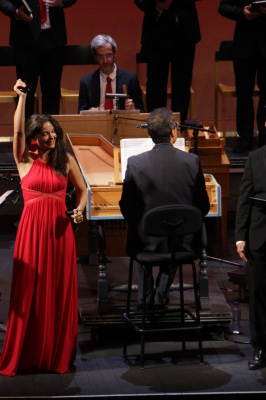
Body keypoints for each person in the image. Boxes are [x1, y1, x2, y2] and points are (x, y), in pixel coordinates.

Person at [0, 79, 87, 376]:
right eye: (45, 133)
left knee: (58, 291)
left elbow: (83, 190)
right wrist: (21, 98)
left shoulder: (66, 160)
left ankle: (56, 353)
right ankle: (29, 352)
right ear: (34, 136)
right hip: (32, 232)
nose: (51, 136)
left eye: (53, 132)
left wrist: (79, 211)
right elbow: (17, 130)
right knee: (30, 291)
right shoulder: (24, 159)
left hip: (60, 233)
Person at [119, 107, 210, 310]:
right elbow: (202, 206)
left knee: (140, 236)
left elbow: (126, 206)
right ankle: (159, 297)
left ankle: (146, 299)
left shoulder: (134, 163)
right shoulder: (192, 161)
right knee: (175, 235)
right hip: (181, 243)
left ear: (151, 134)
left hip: (145, 243)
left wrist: (143, 224)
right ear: (172, 133)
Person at [0, 0, 77, 118]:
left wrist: (62, 2)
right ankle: (26, 135)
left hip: (53, 39)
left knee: (52, 93)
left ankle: (49, 134)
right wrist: (16, 12)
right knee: (25, 94)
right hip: (26, 40)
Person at [134, 0, 201, 125]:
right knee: (155, 86)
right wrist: (156, 4)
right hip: (156, 30)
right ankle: (157, 131)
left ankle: (178, 130)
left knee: (182, 85)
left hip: (184, 31)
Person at [235, 113, 266, 370]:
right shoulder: (255, 158)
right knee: (257, 295)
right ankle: (260, 348)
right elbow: (244, 197)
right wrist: (240, 237)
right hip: (260, 238)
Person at [219, 0, 266, 153]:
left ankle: (264, 137)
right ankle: (245, 137)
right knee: (243, 93)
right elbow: (223, 7)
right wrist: (242, 13)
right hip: (244, 44)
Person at [78, 34, 144, 113]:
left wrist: (133, 110)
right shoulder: (86, 82)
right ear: (95, 57)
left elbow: (141, 111)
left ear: (115, 54)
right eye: (100, 56)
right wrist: (89, 111)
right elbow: (80, 112)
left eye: (108, 55)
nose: (105, 60)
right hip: (97, 122)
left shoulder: (130, 79)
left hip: (122, 122)